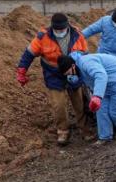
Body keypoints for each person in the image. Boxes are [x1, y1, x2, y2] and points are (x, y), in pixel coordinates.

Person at [16, 13, 88, 145]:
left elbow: (85, 55)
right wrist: (22, 70)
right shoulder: (43, 37)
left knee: (79, 102)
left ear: (67, 26)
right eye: (57, 30)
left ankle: (85, 128)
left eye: (62, 30)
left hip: (73, 71)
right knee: (59, 105)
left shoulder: (77, 35)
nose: (59, 32)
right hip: (53, 73)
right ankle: (63, 131)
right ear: (52, 27)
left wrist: (82, 72)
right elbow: (29, 54)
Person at [57, 52, 116, 144]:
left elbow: (101, 75)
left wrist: (97, 96)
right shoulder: (78, 69)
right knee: (101, 110)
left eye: (69, 73)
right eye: (67, 75)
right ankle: (105, 137)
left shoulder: (86, 62)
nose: (70, 76)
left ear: (73, 66)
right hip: (107, 86)